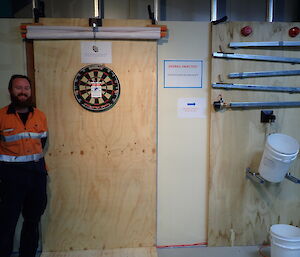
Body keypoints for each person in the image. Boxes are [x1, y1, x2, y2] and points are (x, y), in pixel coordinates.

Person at [0, 74, 48, 257]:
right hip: (11, 179)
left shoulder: (40, 116)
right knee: (7, 223)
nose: (23, 91)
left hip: (36, 176)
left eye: (26, 88)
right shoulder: (1, 116)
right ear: (10, 91)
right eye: (18, 88)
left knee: (32, 221)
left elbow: (41, 142)